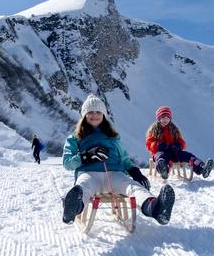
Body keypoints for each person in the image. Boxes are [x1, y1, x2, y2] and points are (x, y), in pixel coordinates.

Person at [61, 95, 175, 225]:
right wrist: (85, 156)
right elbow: (67, 162)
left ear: (103, 115)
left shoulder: (112, 137)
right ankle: (72, 207)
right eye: (90, 112)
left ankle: (156, 208)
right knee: (83, 187)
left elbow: (124, 159)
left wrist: (134, 172)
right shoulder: (75, 137)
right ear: (84, 115)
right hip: (89, 173)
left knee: (132, 187)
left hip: (114, 173)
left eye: (98, 112)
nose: (94, 115)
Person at [145, 106, 214, 179]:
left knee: (187, 155)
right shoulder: (155, 130)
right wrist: (159, 145)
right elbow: (149, 143)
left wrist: (178, 146)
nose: (165, 119)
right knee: (161, 157)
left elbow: (180, 141)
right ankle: (163, 169)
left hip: (173, 152)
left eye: (167, 117)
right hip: (160, 152)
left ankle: (202, 168)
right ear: (159, 118)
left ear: (170, 119)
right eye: (163, 117)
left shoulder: (173, 129)